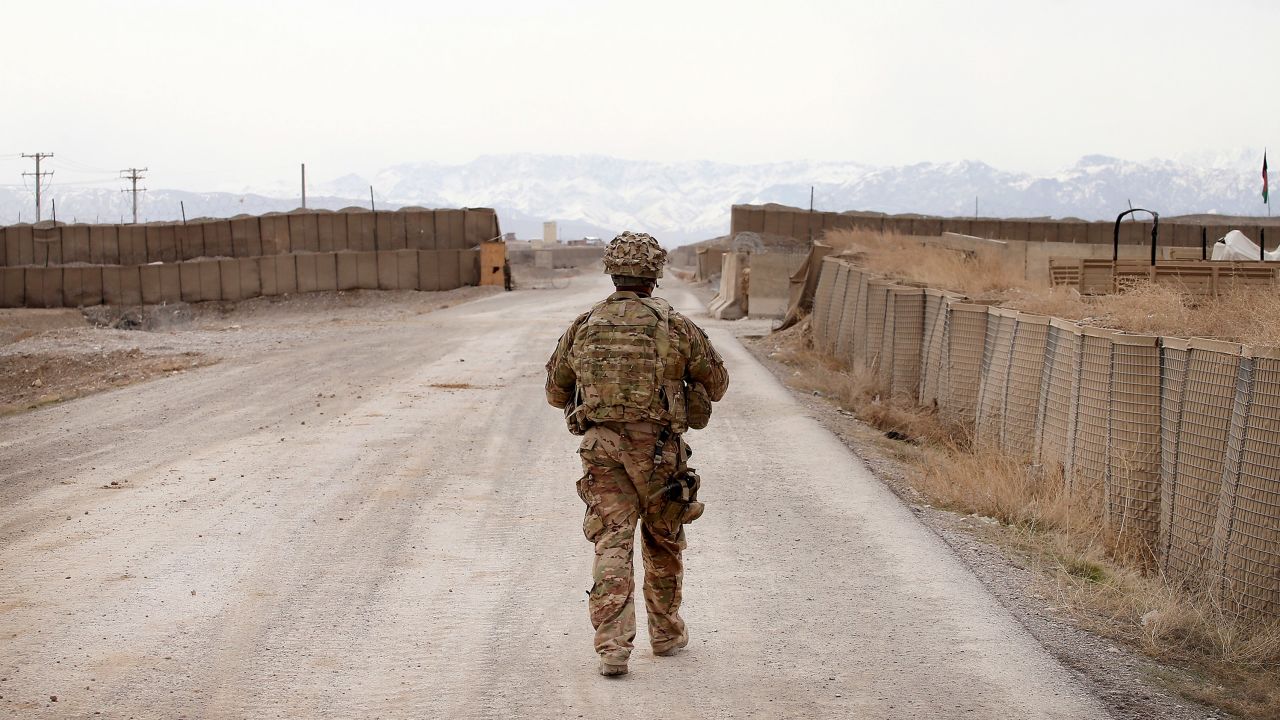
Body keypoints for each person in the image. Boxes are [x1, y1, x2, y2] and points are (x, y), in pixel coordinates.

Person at [545, 231, 729, 677]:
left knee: (612, 539)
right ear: (655, 275)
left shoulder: (585, 324)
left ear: (612, 272)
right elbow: (717, 383)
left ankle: (612, 647)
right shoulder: (677, 325)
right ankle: (665, 634)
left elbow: (556, 391)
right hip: (660, 452)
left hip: (601, 449)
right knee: (662, 538)